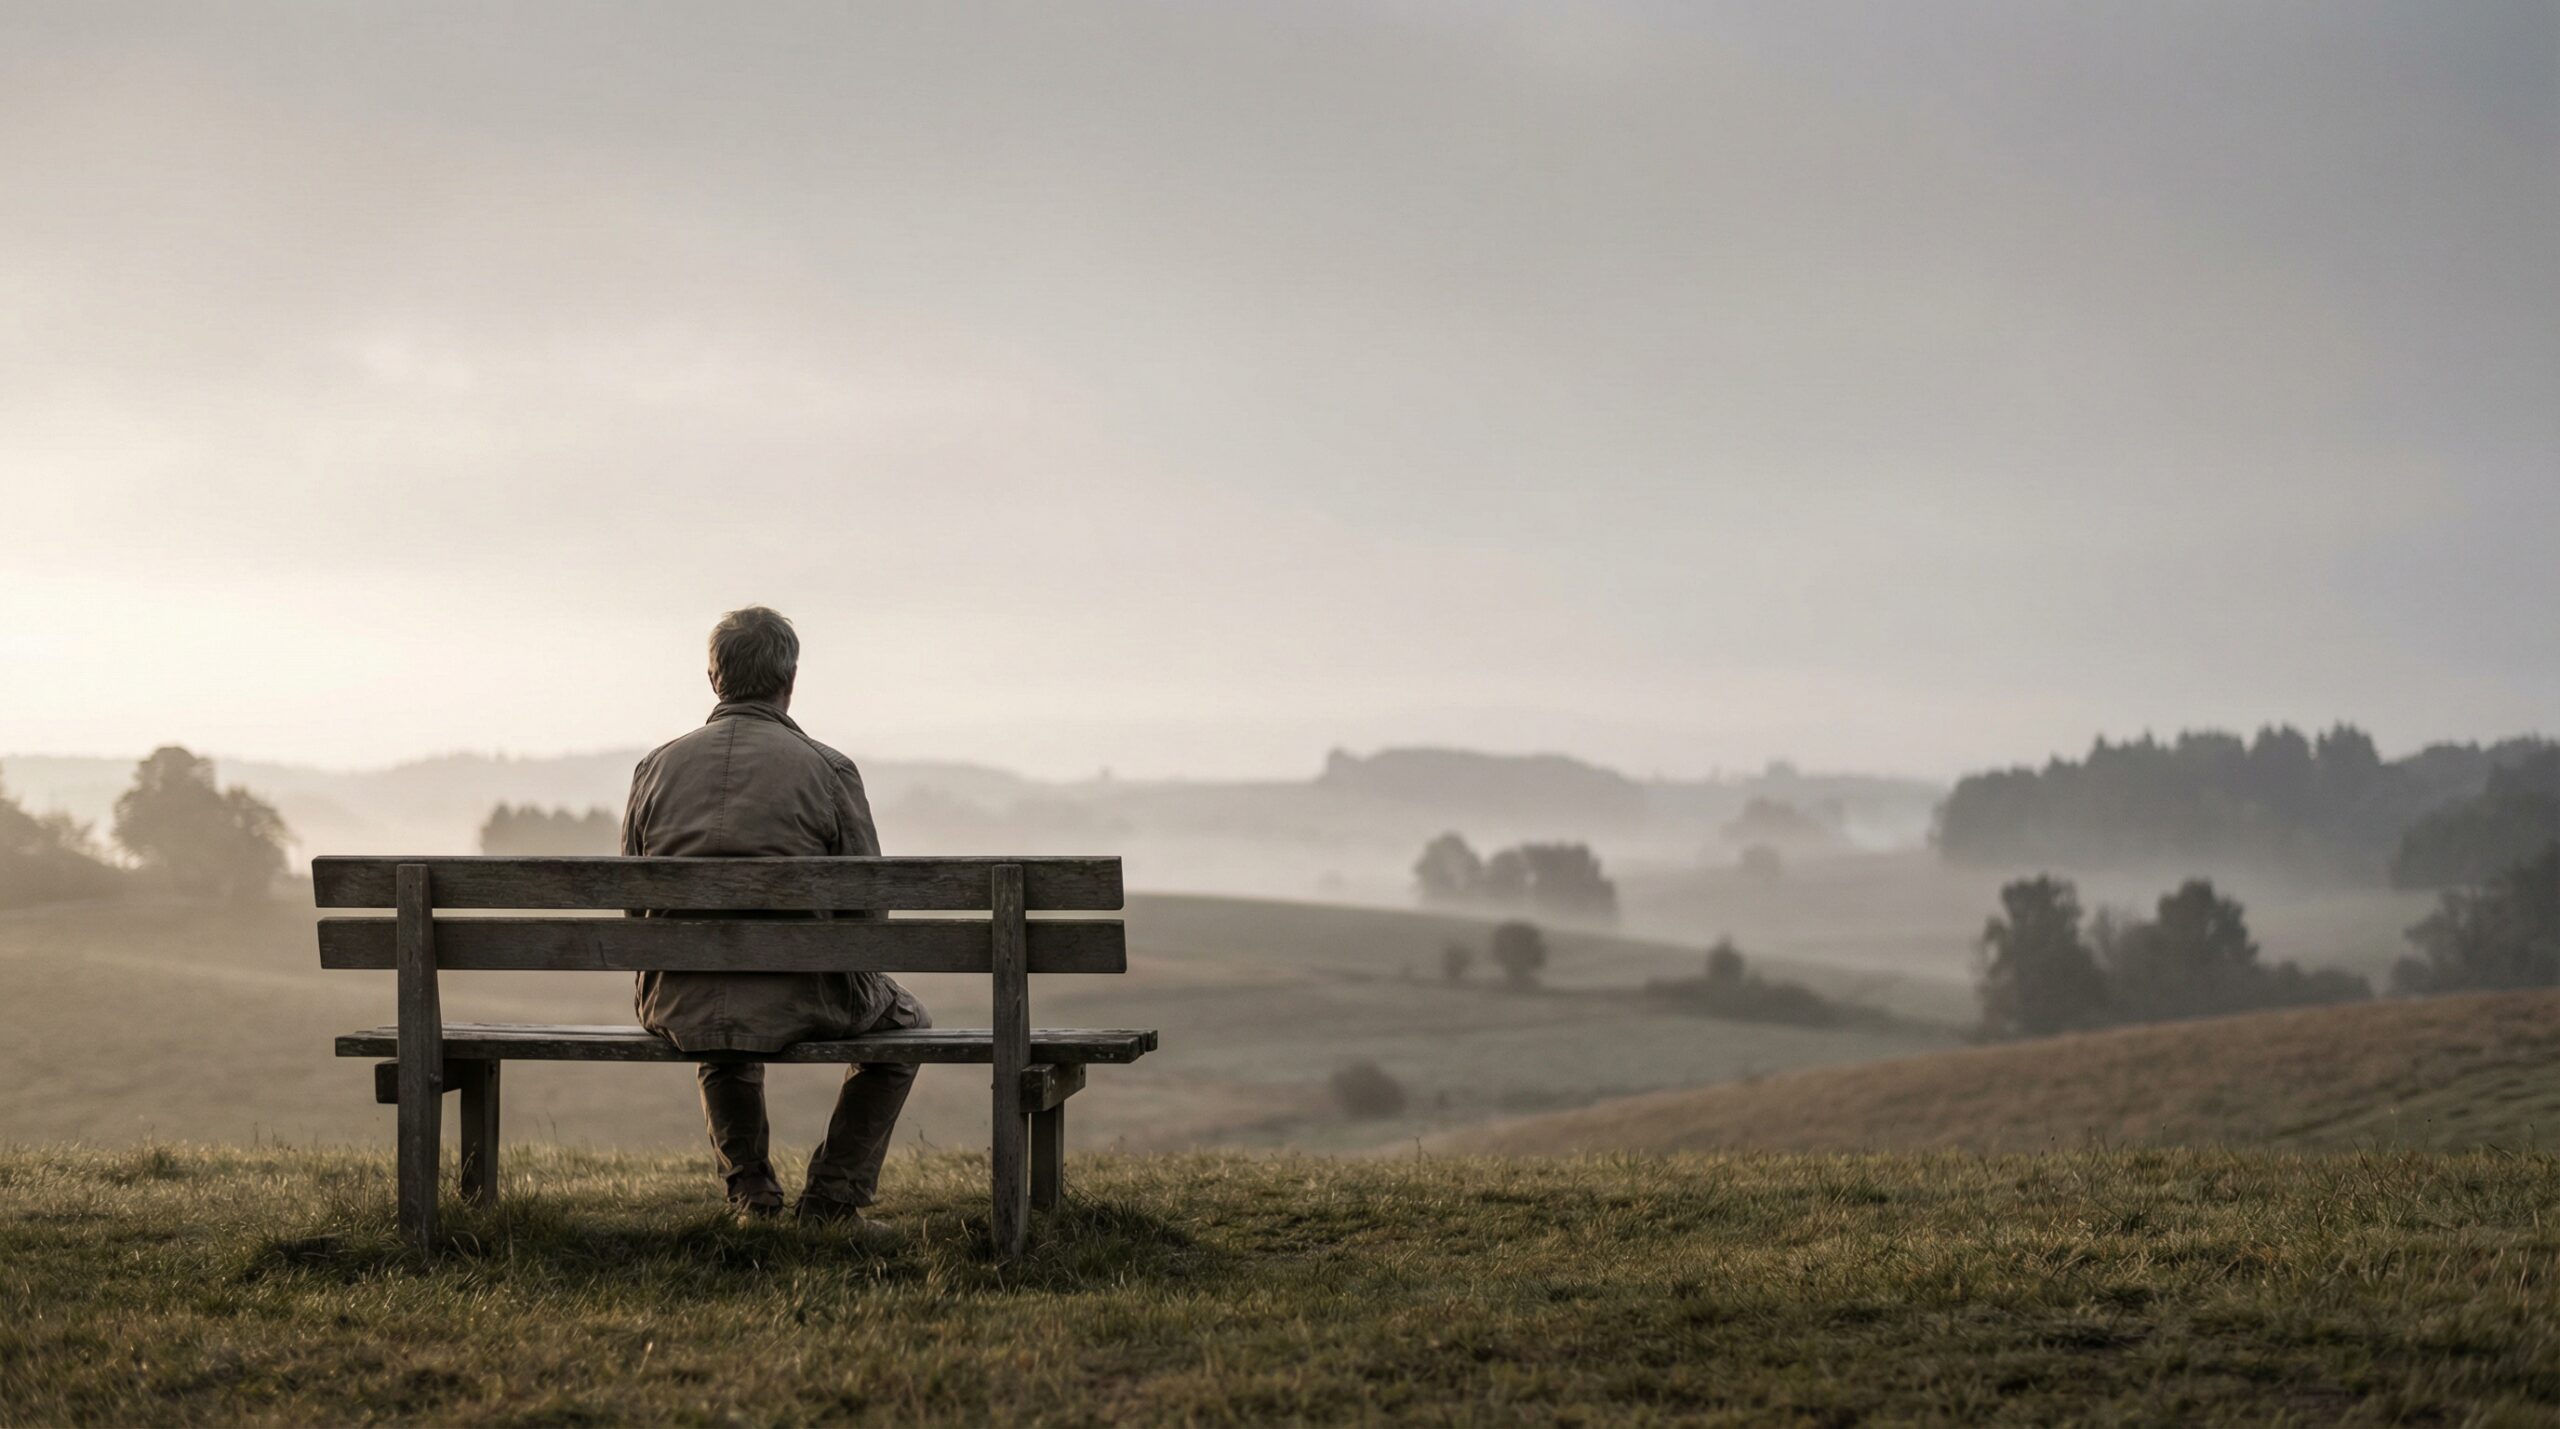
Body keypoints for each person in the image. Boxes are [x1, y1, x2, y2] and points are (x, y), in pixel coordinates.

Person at [621, 606, 929, 1225]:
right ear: (790, 679)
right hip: (805, 995)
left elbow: (635, 904)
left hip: (681, 998)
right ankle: (833, 1199)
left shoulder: (655, 768)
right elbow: (870, 910)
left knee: (716, 1012)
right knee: (907, 1027)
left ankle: (752, 1196)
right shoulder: (829, 769)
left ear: (715, 679)